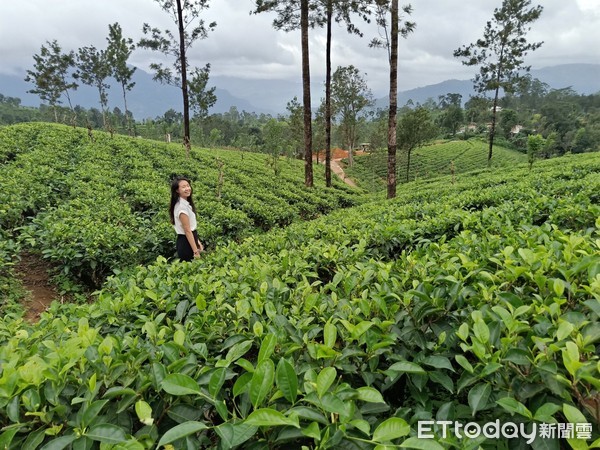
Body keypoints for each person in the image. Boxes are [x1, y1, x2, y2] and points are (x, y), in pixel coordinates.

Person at [169, 177, 204, 261]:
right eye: (183, 187)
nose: (187, 189)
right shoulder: (182, 208)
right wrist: (195, 251)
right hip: (186, 243)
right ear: (177, 190)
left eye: (188, 186)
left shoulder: (185, 204)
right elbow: (187, 230)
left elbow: (191, 228)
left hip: (190, 239)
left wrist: (197, 241)